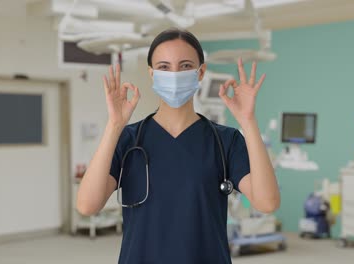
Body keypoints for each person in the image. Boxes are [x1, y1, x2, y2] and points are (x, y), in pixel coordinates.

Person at [76, 28, 280, 264]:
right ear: (152, 74)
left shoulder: (226, 140)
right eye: (164, 67)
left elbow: (267, 202)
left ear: (200, 72)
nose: (174, 74)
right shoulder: (128, 139)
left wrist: (248, 120)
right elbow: (87, 205)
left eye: (185, 66)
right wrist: (114, 125)